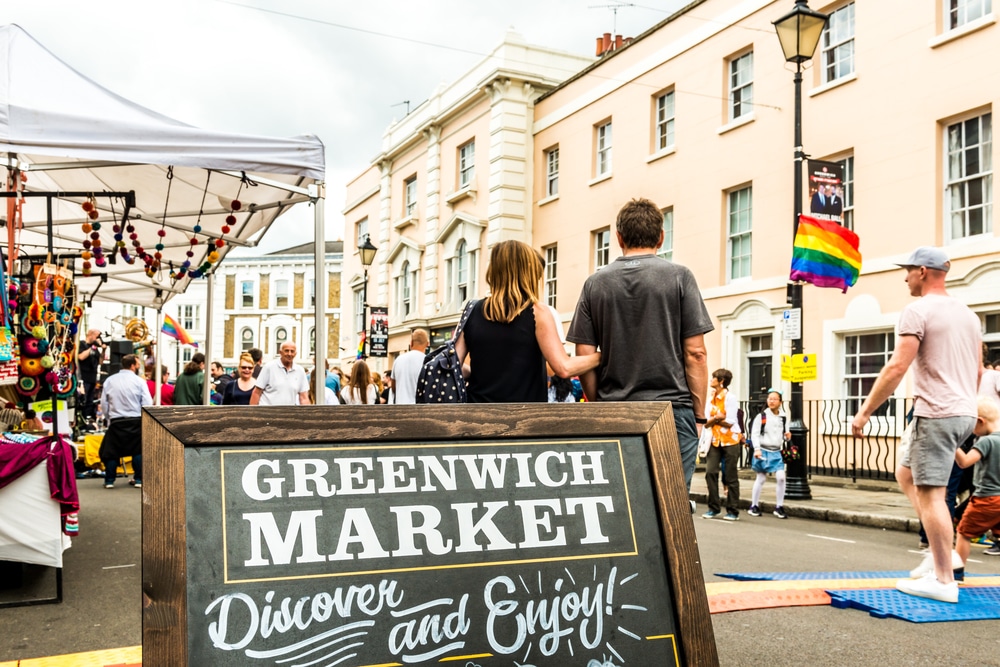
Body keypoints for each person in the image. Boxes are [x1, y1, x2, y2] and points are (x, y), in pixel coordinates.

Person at [851, 246, 981, 604]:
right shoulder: (969, 316)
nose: (904, 276)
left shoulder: (917, 310)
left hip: (936, 412)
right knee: (906, 474)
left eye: (908, 270)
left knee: (932, 493)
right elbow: (979, 371)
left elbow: (896, 367)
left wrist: (864, 413)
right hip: (962, 412)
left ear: (923, 271)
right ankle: (942, 554)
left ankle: (943, 578)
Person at [568, 197, 714, 491]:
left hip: (615, 411)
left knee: (622, 503)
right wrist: (698, 416)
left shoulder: (595, 284)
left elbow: (584, 354)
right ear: (661, 237)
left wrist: (600, 404)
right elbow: (695, 354)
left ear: (618, 237)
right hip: (672, 411)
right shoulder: (680, 277)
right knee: (671, 505)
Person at [454, 240, 600, 402]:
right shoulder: (537, 312)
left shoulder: (472, 310)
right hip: (524, 418)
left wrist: (481, 374)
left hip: (477, 415)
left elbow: (454, 365)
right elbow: (563, 368)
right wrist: (601, 357)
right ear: (526, 272)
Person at [954, 397, 1000, 572]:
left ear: (980, 421)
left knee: (963, 533)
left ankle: (955, 573)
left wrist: (953, 445)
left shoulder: (986, 441)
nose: (971, 430)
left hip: (986, 499)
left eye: (971, 425)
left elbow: (965, 462)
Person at [98, 354, 151, 489]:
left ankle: (109, 480)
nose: (139, 366)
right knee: (138, 450)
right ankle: (139, 479)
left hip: (116, 421)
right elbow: (147, 402)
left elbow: (104, 403)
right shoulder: (139, 381)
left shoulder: (110, 380)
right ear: (132, 365)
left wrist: (109, 418)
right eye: (138, 364)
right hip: (136, 420)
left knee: (112, 451)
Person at [703, 369, 743, 521]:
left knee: (730, 476)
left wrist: (715, 419)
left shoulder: (730, 398)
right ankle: (713, 507)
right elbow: (706, 423)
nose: (711, 379)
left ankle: (733, 510)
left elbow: (731, 422)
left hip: (730, 440)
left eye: (714, 377)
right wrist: (717, 418)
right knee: (710, 472)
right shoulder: (710, 399)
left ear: (721, 381)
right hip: (714, 441)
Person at [747, 389, 791, 519]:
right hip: (763, 450)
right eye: (769, 399)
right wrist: (757, 449)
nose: (771, 401)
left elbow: (785, 436)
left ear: (780, 402)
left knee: (781, 477)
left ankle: (779, 507)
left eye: (774, 399)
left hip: (776, 451)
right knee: (761, 478)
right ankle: (753, 506)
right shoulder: (761, 416)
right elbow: (754, 434)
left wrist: (788, 437)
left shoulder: (783, 417)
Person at [392, 328, 430, 404]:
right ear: (427, 344)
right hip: (419, 409)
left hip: (400, 407)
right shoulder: (428, 362)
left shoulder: (398, 360)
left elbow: (393, 387)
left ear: (411, 343)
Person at [76, 328, 105, 427]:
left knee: (90, 401)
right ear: (91, 335)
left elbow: (100, 361)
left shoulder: (95, 348)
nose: (98, 339)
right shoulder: (82, 344)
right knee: (82, 400)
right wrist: (93, 346)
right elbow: (80, 357)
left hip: (93, 378)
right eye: (97, 336)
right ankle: (81, 422)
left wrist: (103, 350)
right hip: (83, 377)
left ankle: (87, 422)